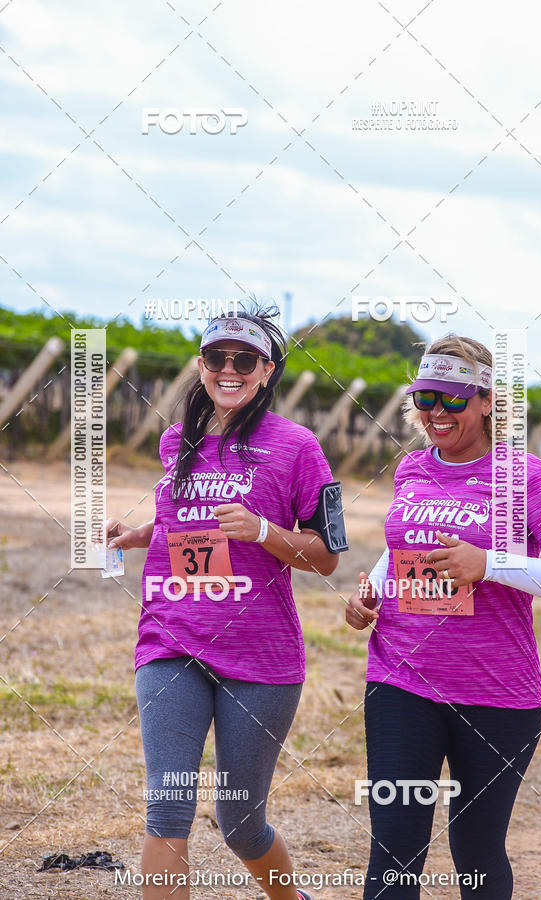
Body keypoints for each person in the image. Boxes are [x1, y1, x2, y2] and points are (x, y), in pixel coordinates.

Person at [346, 334, 541, 899]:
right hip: (400, 679)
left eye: (453, 400)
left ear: (487, 401)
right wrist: (373, 589)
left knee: (477, 850)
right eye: (426, 398)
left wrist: (489, 564)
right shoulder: (412, 468)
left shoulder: (528, 478)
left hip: (497, 693)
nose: (436, 412)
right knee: (393, 845)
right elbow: (403, 546)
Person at [106, 303, 345, 900]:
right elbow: (187, 528)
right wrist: (142, 534)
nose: (229, 369)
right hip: (170, 638)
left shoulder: (297, 446)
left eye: (245, 359)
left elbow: (327, 554)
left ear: (267, 371)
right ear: (202, 365)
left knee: (241, 822)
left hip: (261, 657)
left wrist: (264, 531)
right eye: (218, 357)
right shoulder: (173, 441)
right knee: (168, 806)